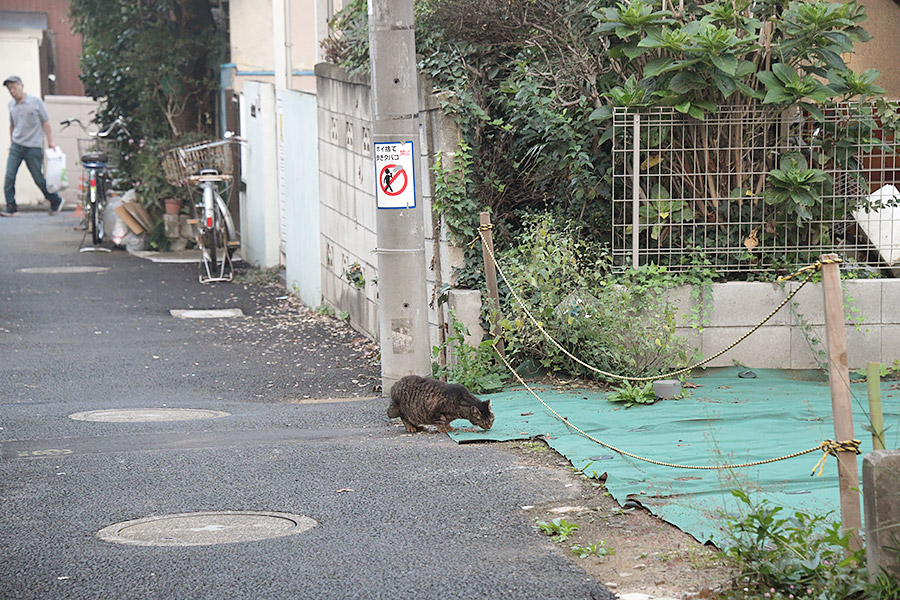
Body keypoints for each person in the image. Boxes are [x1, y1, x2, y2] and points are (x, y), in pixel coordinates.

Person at [3, 75, 64, 217]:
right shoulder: (11, 105)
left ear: (21, 86)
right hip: (17, 147)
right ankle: (11, 206)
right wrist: (12, 143)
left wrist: (50, 141)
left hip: (33, 147)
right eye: (9, 89)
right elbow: (12, 125)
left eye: (14, 87)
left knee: (38, 178)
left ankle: (55, 200)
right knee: (9, 177)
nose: (12, 91)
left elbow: (45, 122)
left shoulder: (35, 102)